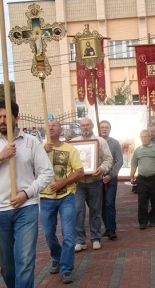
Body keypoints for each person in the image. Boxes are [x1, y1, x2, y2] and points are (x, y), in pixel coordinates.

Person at [0, 100, 54, 288]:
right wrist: (0, 157)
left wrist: (27, 193)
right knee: (7, 266)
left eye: (6, 117)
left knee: (25, 261)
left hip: (26, 209)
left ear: (16, 118)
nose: (2, 121)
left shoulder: (31, 143)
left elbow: (46, 172)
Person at [41, 120, 84, 284]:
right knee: (48, 234)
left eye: (54, 125)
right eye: (48, 125)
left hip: (67, 197)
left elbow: (79, 172)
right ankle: (57, 256)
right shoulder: (38, 148)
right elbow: (28, 166)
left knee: (68, 235)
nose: (51, 127)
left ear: (60, 129)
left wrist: (62, 183)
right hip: (45, 198)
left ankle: (66, 269)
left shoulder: (69, 149)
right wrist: (41, 151)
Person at [73, 117, 113, 251]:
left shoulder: (100, 141)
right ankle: (80, 240)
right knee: (78, 210)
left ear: (92, 126)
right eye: (83, 125)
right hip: (78, 183)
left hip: (95, 181)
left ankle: (95, 238)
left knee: (95, 210)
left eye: (87, 125)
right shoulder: (73, 143)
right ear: (80, 127)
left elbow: (108, 159)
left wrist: (101, 169)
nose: (85, 127)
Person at [130, 129, 155, 229]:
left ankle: (153, 219)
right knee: (142, 200)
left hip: (154, 178)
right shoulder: (137, 150)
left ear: (150, 137)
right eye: (142, 137)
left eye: (145, 136)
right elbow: (134, 164)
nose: (144, 139)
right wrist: (131, 176)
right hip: (142, 179)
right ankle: (143, 221)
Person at [99, 120, 124, 240]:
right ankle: (107, 227)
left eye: (106, 127)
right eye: (102, 127)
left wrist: (111, 175)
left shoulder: (114, 143)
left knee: (109, 203)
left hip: (110, 178)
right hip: (97, 178)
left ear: (110, 129)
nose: (104, 129)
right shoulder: (95, 142)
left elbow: (119, 161)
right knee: (101, 204)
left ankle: (111, 229)